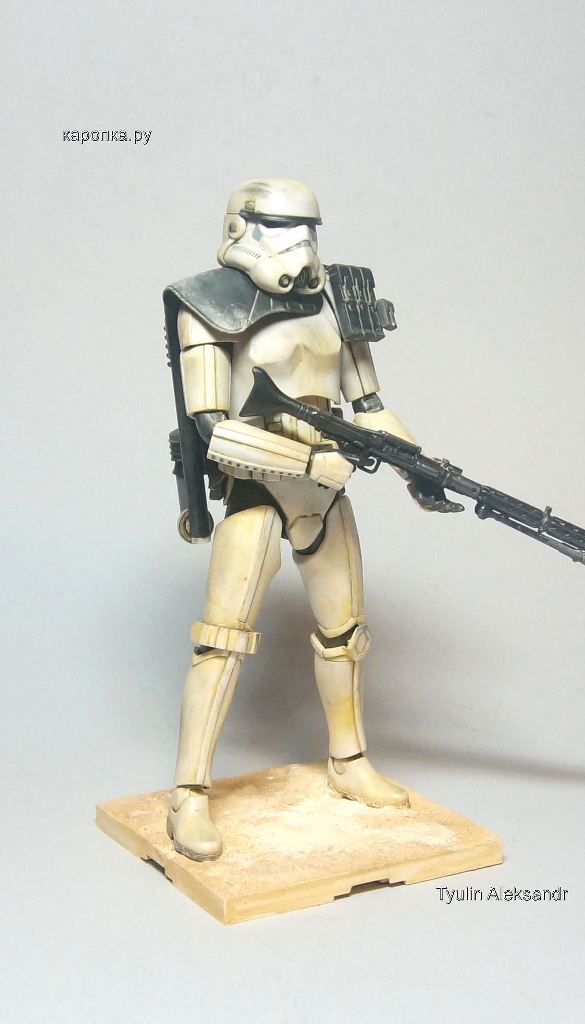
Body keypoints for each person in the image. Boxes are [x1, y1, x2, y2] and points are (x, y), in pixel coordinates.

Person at [164, 178, 430, 861]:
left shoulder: (337, 298)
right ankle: (188, 793)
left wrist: (418, 467)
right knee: (222, 640)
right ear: (240, 229)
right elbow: (213, 428)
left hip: (326, 490)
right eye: (282, 229)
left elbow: (368, 406)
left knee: (345, 635)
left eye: (308, 229)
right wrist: (311, 464)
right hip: (258, 485)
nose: (300, 246)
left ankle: (348, 761)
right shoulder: (207, 304)